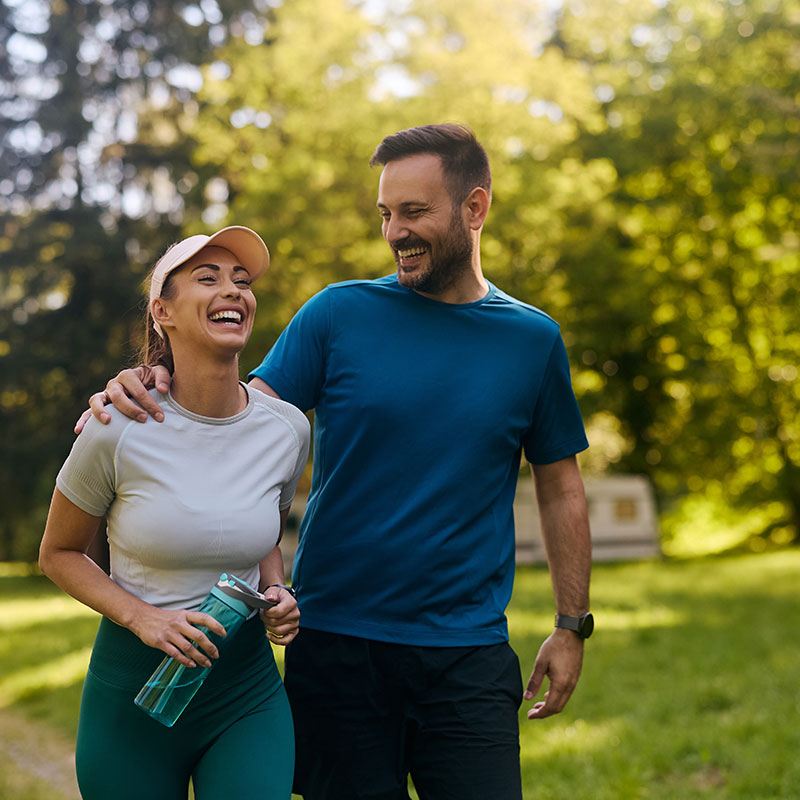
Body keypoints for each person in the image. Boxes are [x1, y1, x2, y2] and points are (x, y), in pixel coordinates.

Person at [81, 124, 592, 800]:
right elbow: (225, 419)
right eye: (387, 213)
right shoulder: (338, 315)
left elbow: (561, 489)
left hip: (467, 656)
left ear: (475, 209)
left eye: (415, 212)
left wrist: (570, 625)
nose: (395, 231)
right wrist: (146, 379)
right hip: (339, 650)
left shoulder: (532, 340)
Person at [42, 226, 310, 800]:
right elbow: (58, 553)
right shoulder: (116, 427)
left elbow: (260, 528)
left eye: (242, 281)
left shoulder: (287, 429)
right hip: (133, 693)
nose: (233, 290)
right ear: (163, 311)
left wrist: (277, 590)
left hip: (244, 692)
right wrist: (144, 618)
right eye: (208, 278)